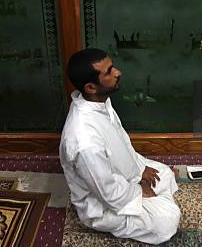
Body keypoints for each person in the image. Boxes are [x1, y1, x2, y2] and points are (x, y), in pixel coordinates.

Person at [59, 48, 181, 244]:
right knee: (168, 221)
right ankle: (156, 203)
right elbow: (107, 192)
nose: (118, 72)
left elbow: (121, 144)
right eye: (109, 71)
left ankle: (156, 199)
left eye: (112, 66)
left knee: (164, 173)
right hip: (101, 205)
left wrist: (140, 170)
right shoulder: (84, 140)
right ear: (91, 87)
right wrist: (140, 191)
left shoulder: (99, 101)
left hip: (121, 176)